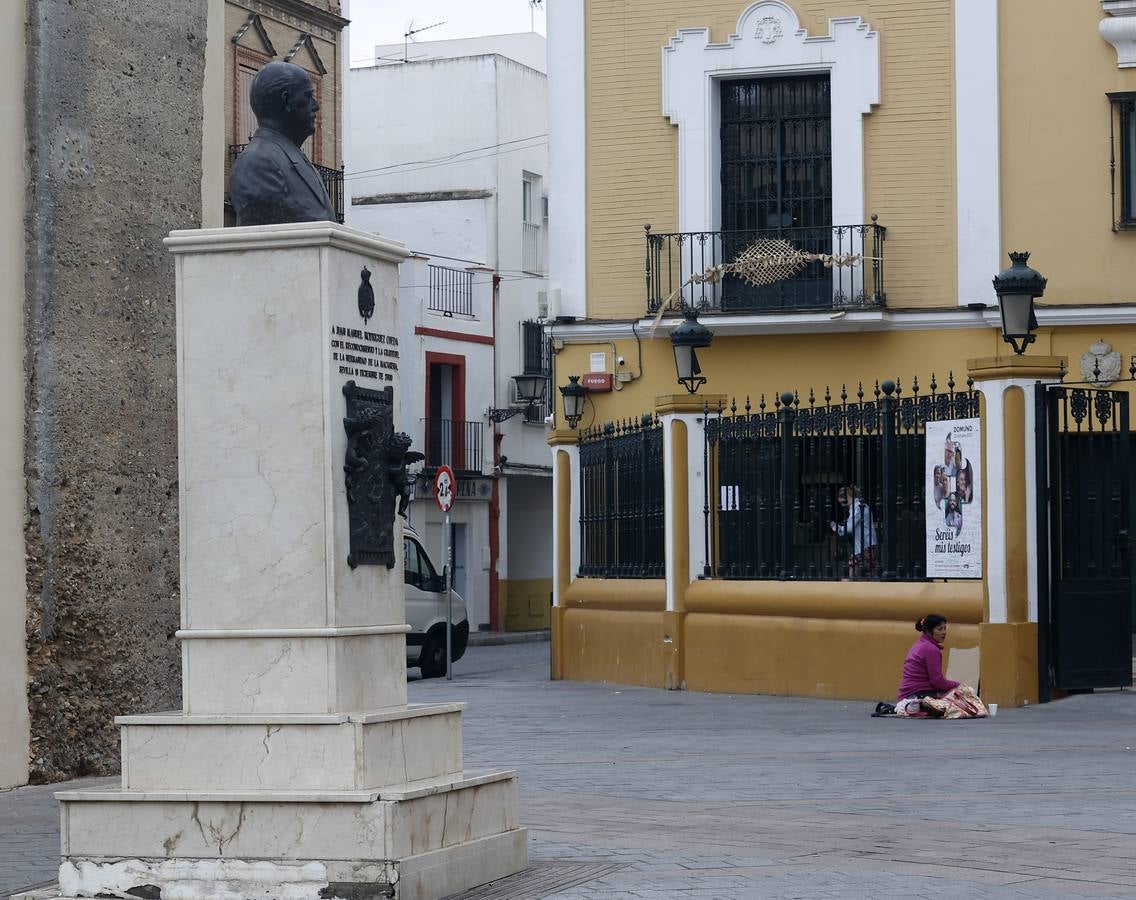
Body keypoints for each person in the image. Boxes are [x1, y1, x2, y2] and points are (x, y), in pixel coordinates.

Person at [228, 61, 337, 226]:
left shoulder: (294, 160)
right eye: (307, 97)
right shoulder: (257, 163)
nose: (316, 106)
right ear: (287, 101)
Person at [894, 615, 986, 718]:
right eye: (939, 629)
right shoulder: (931, 649)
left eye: (944, 628)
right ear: (929, 631)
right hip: (918, 695)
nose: (944, 632)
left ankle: (915, 706)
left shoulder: (920, 645)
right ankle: (918, 705)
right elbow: (937, 681)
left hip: (906, 697)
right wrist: (959, 685)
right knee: (959, 701)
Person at [830, 484, 878, 578]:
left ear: (847, 497)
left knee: (854, 574)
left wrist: (836, 528)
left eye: (842, 502)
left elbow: (849, 527)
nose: (842, 505)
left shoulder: (857, 507)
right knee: (864, 576)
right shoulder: (860, 506)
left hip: (864, 548)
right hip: (866, 547)